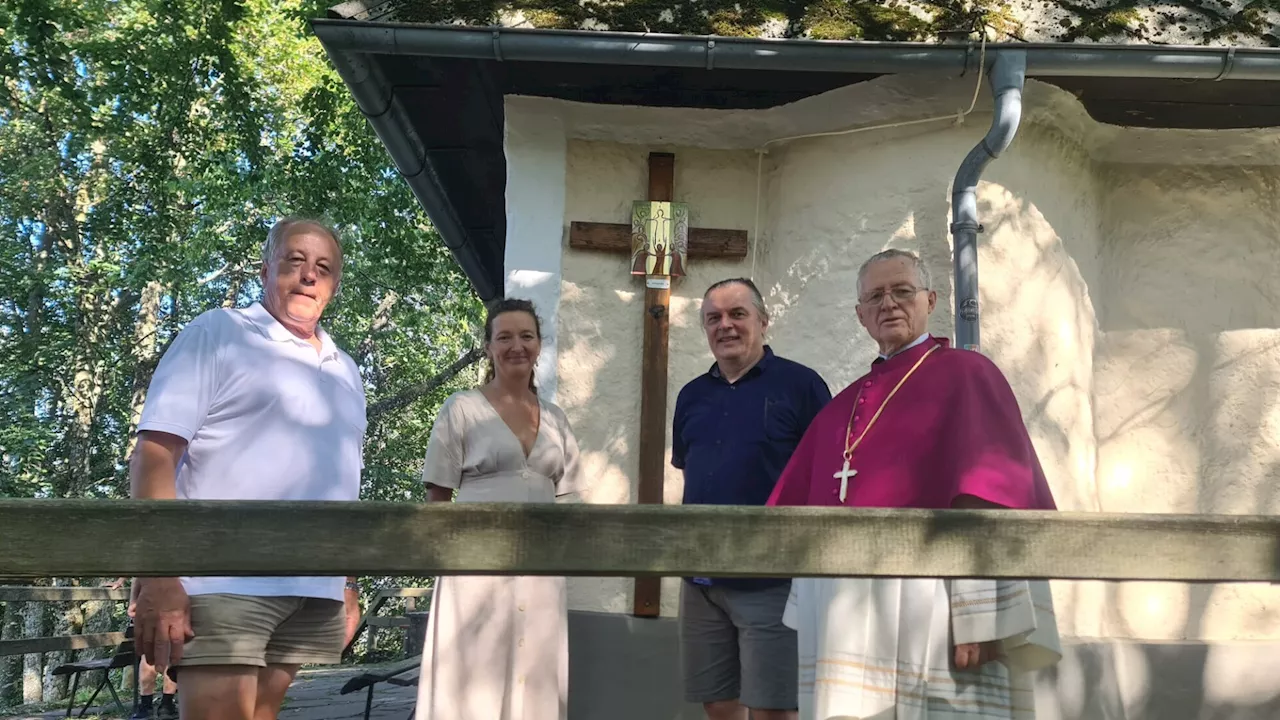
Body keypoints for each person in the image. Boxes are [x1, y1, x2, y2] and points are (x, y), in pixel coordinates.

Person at [766, 249, 1062, 720]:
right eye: (875, 296)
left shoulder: (967, 374)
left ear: (930, 300)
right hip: (846, 616)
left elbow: (992, 500)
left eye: (902, 291)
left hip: (936, 607)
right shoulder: (837, 410)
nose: (889, 304)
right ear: (860, 316)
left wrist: (983, 614)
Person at [129, 217, 364, 720]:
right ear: (266, 269)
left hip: (312, 585)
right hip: (224, 580)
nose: (308, 276)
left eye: (323, 268)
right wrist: (160, 574)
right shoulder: (220, 331)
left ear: (335, 286)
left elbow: (343, 476)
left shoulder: (346, 369)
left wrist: (345, 581)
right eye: (294, 261)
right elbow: (154, 453)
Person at [416, 297, 585, 720]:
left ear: (539, 345)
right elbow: (437, 498)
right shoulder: (462, 409)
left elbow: (570, 501)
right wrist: (450, 563)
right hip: (474, 571)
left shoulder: (557, 419)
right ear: (489, 347)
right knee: (474, 675)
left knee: (537, 672)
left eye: (526, 336)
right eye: (504, 336)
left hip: (542, 570)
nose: (516, 346)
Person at [673, 278, 831, 720]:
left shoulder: (802, 387)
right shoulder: (691, 396)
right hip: (701, 580)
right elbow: (693, 474)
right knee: (719, 704)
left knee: (773, 709)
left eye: (737, 314)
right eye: (713, 318)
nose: (725, 325)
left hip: (772, 578)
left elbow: (825, 477)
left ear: (763, 320)